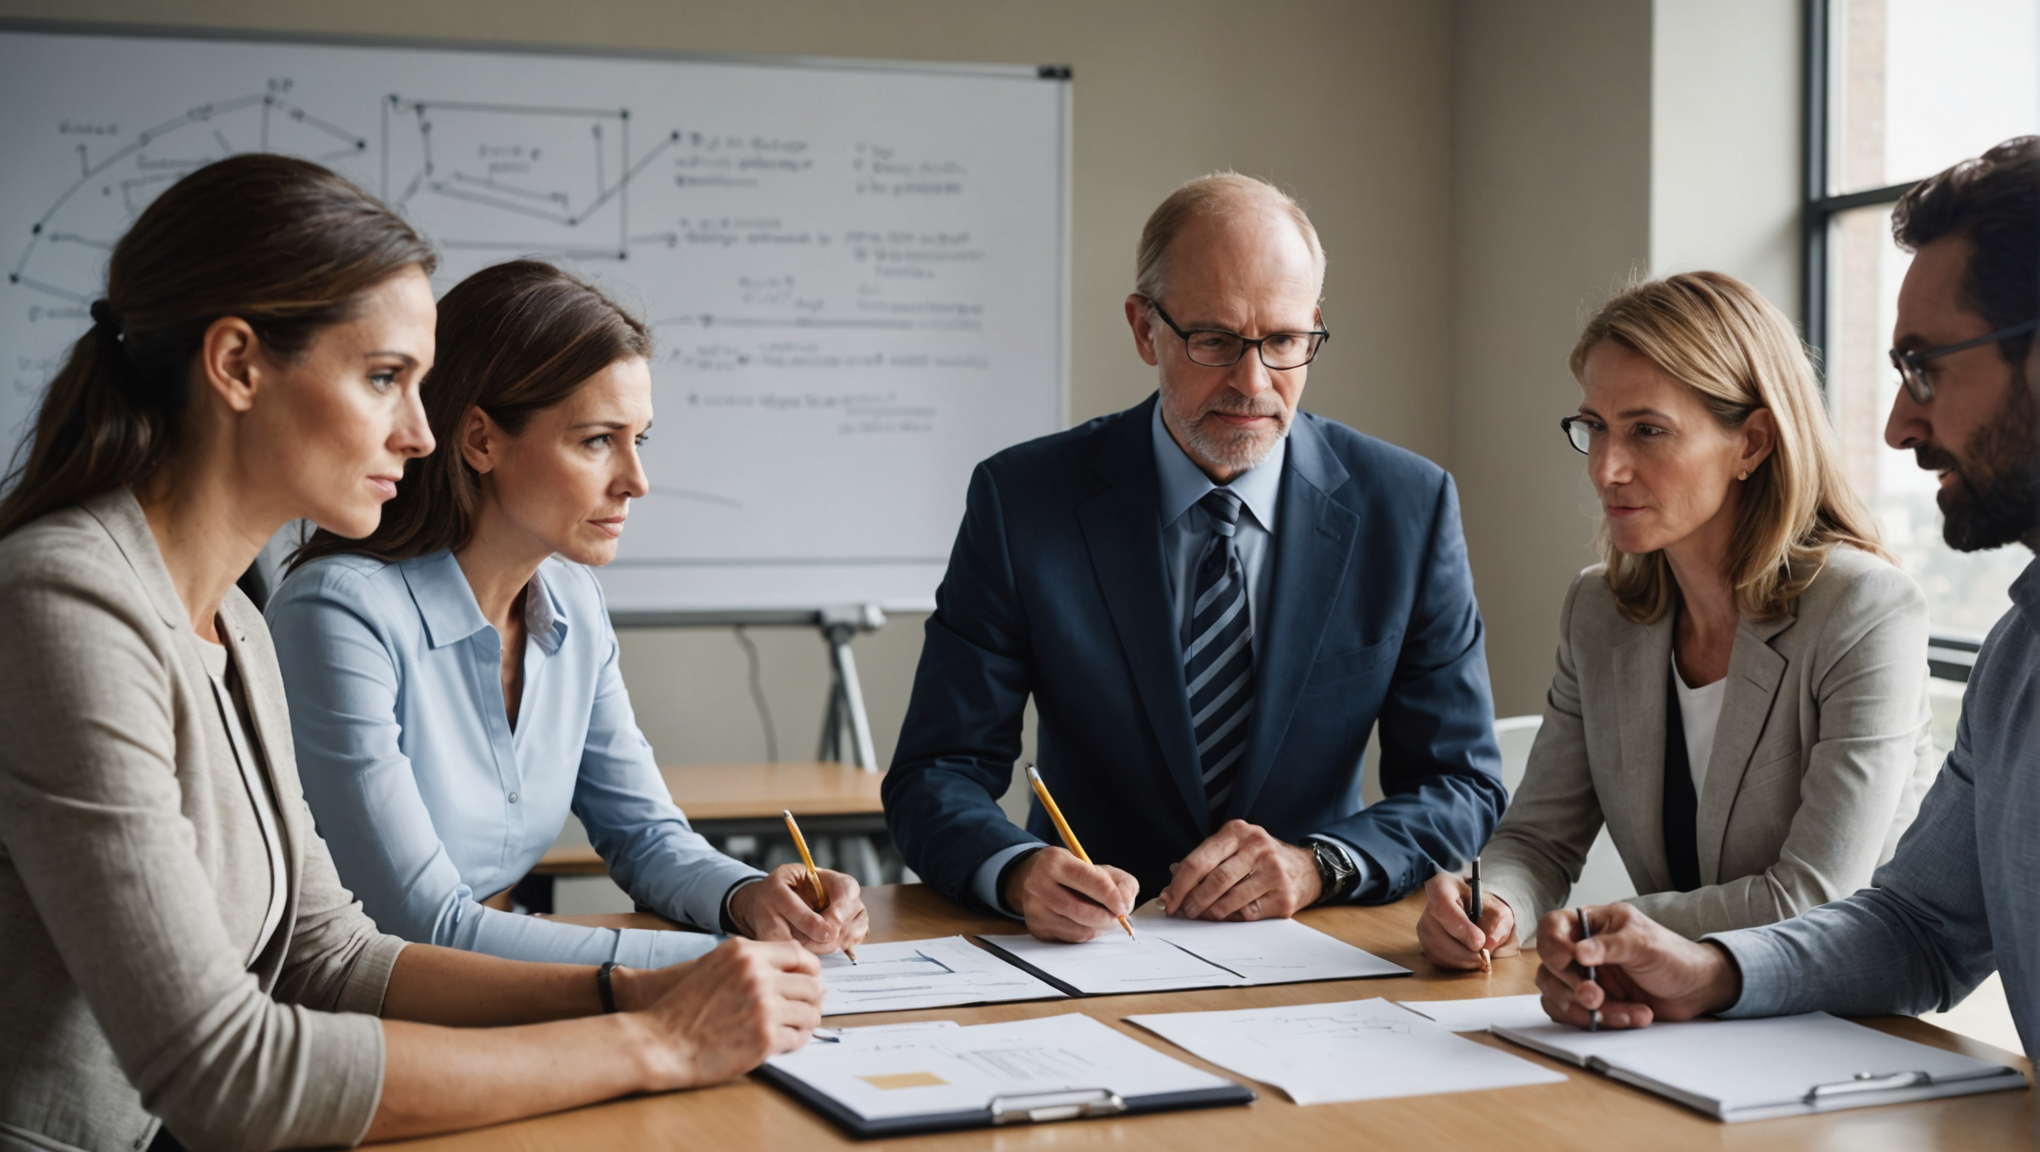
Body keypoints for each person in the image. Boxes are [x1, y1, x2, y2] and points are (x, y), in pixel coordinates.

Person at [0, 155, 822, 1152]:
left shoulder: (238, 622)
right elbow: (224, 1072)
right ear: (236, 364)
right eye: (386, 379)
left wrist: (635, 985)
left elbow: (330, 953)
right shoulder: (65, 603)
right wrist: (655, 1040)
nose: (424, 434)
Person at [883, 172, 1506, 943]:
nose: (1253, 383)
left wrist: (1320, 865)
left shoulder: (1406, 506)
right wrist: (1014, 871)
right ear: (1145, 329)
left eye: (1282, 342)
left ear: (1312, 326)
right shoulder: (1024, 503)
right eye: (1214, 340)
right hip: (1093, 956)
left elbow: (1461, 782)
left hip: (1318, 955)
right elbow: (936, 772)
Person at [1527, 138, 2040, 1052]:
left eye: (1925, 367)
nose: (1895, 424)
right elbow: (1918, 927)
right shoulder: (2017, 660)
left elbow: (1826, 895)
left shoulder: (1868, 608)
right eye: (1596, 429)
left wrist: (1611, 925)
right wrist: (1709, 973)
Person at [267, 259, 868, 969]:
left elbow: (644, 835)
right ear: (482, 440)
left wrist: (748, 899)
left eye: (637, 440)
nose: (635, 481)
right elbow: (419, 924)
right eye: (596, 441)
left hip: (502, 997)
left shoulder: (573, 604)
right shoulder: (339, 614)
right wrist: (703, 966)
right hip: (362, 1017)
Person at [1415, 272, 1937, 969]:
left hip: (1841, 1020)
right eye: (1594, 428)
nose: (1607, 469)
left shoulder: (1865, 609)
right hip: (1670, 1016)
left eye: (1648, 432)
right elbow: (1538, 841)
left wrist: (1591, 926)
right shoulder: (1598, 612)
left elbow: (1811, 898)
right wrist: (1498, 905)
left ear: (1751, 443)